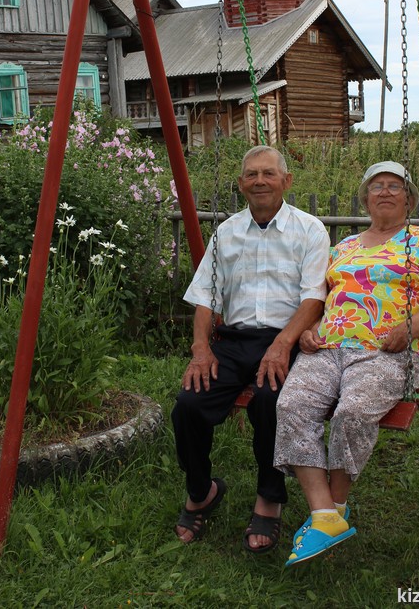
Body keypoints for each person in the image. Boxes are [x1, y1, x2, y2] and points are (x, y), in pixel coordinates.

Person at [274, 160, 419, 567]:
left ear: (409, 199)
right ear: (366, 198)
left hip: (388, 352)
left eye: (396, 186)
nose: (386, 192)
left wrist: (409, 330)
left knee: (353, 411)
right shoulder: (343, 248)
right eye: (377, 186)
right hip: (328, 348)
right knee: (291, 406)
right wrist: (310, 330)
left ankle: (333, 510)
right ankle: (325, 514)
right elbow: (323, 301)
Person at [172, 145, 330, 553]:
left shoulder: (310, 229)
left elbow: (314, 298)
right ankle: (201, 489)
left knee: (270, 403)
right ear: (241, 184)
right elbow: (206, 294)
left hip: (286, 339)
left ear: (286, 181)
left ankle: (270, 497)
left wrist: (282, 343)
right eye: (252, 175)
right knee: (188, 406)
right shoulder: (227, 232)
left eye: (269, 173)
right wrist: (201, 347)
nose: (260, 180)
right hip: (233, 342)